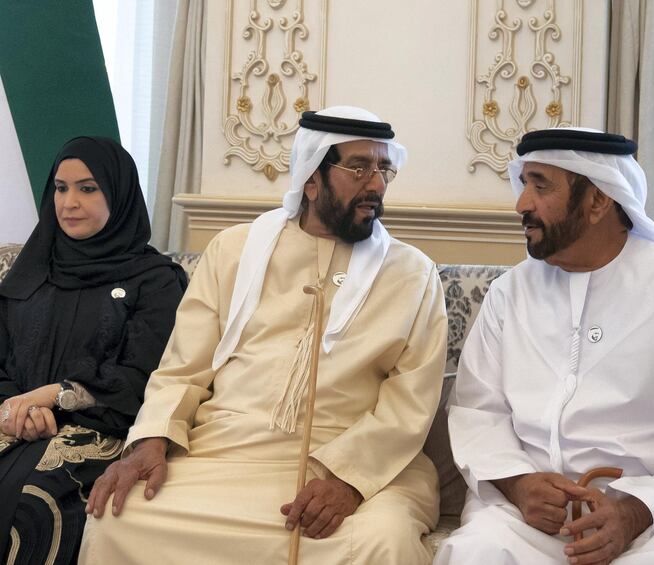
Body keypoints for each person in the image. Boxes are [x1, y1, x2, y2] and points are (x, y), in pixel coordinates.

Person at [79, 106, 448, 564]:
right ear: (311, 178)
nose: (375, 184)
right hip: (228, 453)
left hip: (359, 467)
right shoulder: (233, 251)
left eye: (383, 169)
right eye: (358, 168)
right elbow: (182, 371)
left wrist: (348, 481)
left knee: (380, 539)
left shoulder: (412, 273)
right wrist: (150, 442)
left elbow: (410, 403)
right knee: (118, 517)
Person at [434, 128, 654, 565]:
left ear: (598, 201)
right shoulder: (509, 294)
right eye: (524, 183)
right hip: (532, 518)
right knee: (475, 554)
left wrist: (635, 511)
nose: (522, 204)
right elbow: (477, 411)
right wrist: (520, 484)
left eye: (540, 185)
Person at [0, 136, 188, 564]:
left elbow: (145, 379)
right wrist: (15, 408)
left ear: (117, 194)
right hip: (13, 422)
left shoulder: (156, 281)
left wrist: (54, 395)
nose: (69, 202)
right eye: (61, 188)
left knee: (32, 508)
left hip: (100, 430)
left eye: (87, 188)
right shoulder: (30, 272)